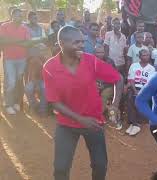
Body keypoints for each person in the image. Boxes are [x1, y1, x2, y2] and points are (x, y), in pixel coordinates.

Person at [42, 26, 123, 180]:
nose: (82, 45)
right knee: (60, 168)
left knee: (100, 166)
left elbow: (118, 79)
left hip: (94, 122)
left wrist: (115, 104)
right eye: (76, 42)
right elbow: (54, 102)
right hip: (67, 124)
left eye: (82, 42)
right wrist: (80, 119)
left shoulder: (90, 61)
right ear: (61, 43)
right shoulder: (50, 67)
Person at [0, 8, 31, 115]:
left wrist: (11, 41)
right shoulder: (4, 26)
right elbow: (3, 40)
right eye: (18, 15)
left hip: (22, 59)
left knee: (18, 81)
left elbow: (27, 43)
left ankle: (16, 102)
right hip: (9, 59)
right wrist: (19, 42)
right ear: (12, 16)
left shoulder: (25, 28)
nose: (20, 17)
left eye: (21, 16)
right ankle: (8, 104)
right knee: (11, 82)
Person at [126, 49, 156, 136]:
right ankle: (133, 123)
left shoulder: (151, 68)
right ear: (139, 57)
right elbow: (131, 80)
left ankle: (136, 124)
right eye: (144, 55)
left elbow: (150, 84)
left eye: (147, 55)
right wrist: (135, 91)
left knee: (139, 99)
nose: (146, 57)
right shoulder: (134, 66)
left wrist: (141, 92)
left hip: (145, 90)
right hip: (134, 88)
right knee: (130, 96)